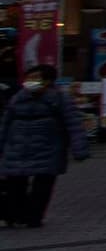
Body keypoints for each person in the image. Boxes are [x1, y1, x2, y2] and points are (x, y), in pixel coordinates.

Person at [0, 65, 89, 226]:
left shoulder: (60, 99)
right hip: (17, 148)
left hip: (48, 149)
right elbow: (5, 123)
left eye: (35, 78)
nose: (30, 82)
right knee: (15, 184)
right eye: (28, 78)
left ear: (48, 81)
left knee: (42, 187)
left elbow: (74, 125)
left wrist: (79, 149)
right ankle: (14, 215)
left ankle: (34, 217)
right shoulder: (17, 98)